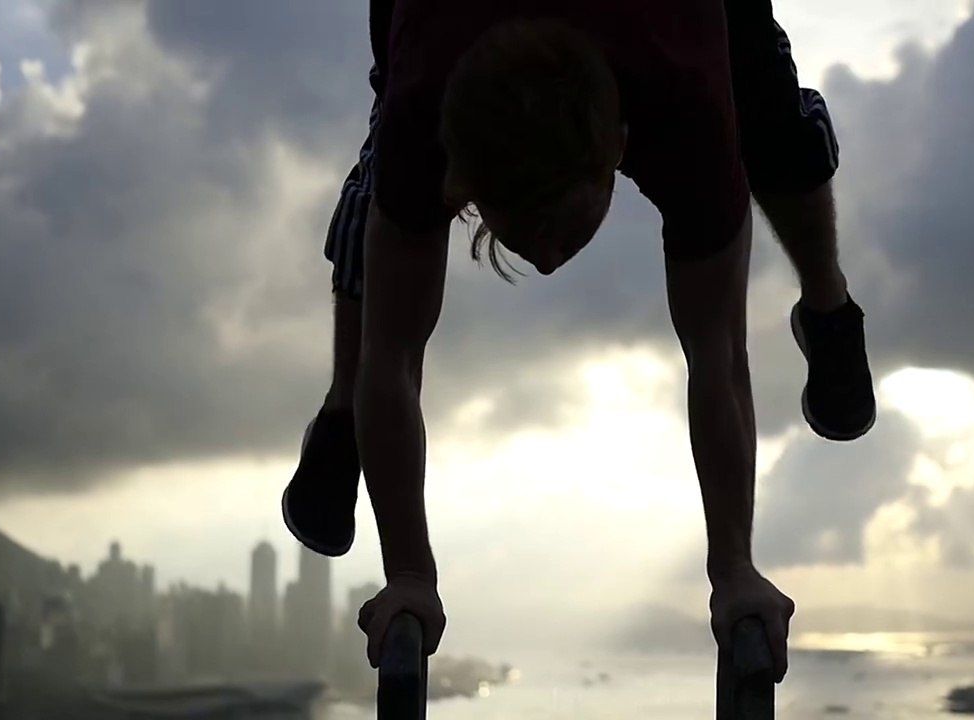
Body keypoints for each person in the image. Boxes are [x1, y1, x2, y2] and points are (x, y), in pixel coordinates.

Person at [285, 0, 875, 684]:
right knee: (390, 170)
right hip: (443, 30)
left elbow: (718, 356)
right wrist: (410, 574)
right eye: (515, 227)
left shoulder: (687, 109)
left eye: (564, 229)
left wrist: (732, 567)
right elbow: (392, 359)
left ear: (621, 145)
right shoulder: (429, 107)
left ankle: (828, 306)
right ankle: (341, 408)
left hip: (662, 28)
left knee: (769, 116)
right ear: (464, 182)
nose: (545, 260)